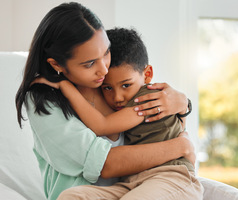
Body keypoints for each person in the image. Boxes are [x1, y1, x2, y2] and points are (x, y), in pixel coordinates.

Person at [15, 2, 195, 200]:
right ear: (57, 64)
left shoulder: (112, 84)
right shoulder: (43, 100)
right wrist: (180, 147)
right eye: (90, 63)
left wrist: (184, 103)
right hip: (118, 188)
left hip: (148, 183)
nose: (104, 69)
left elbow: (165, 124)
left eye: (106, 52)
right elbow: (105, 164)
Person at [52, 28, 203, 200]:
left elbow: (102, 126)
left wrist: (64, 86)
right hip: (132, 183)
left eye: (126, 85)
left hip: (171, 177)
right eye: (107, 88)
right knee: (72, 197)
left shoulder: (147, 99)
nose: (117, 97)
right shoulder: (125, 103)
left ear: (147, 75)